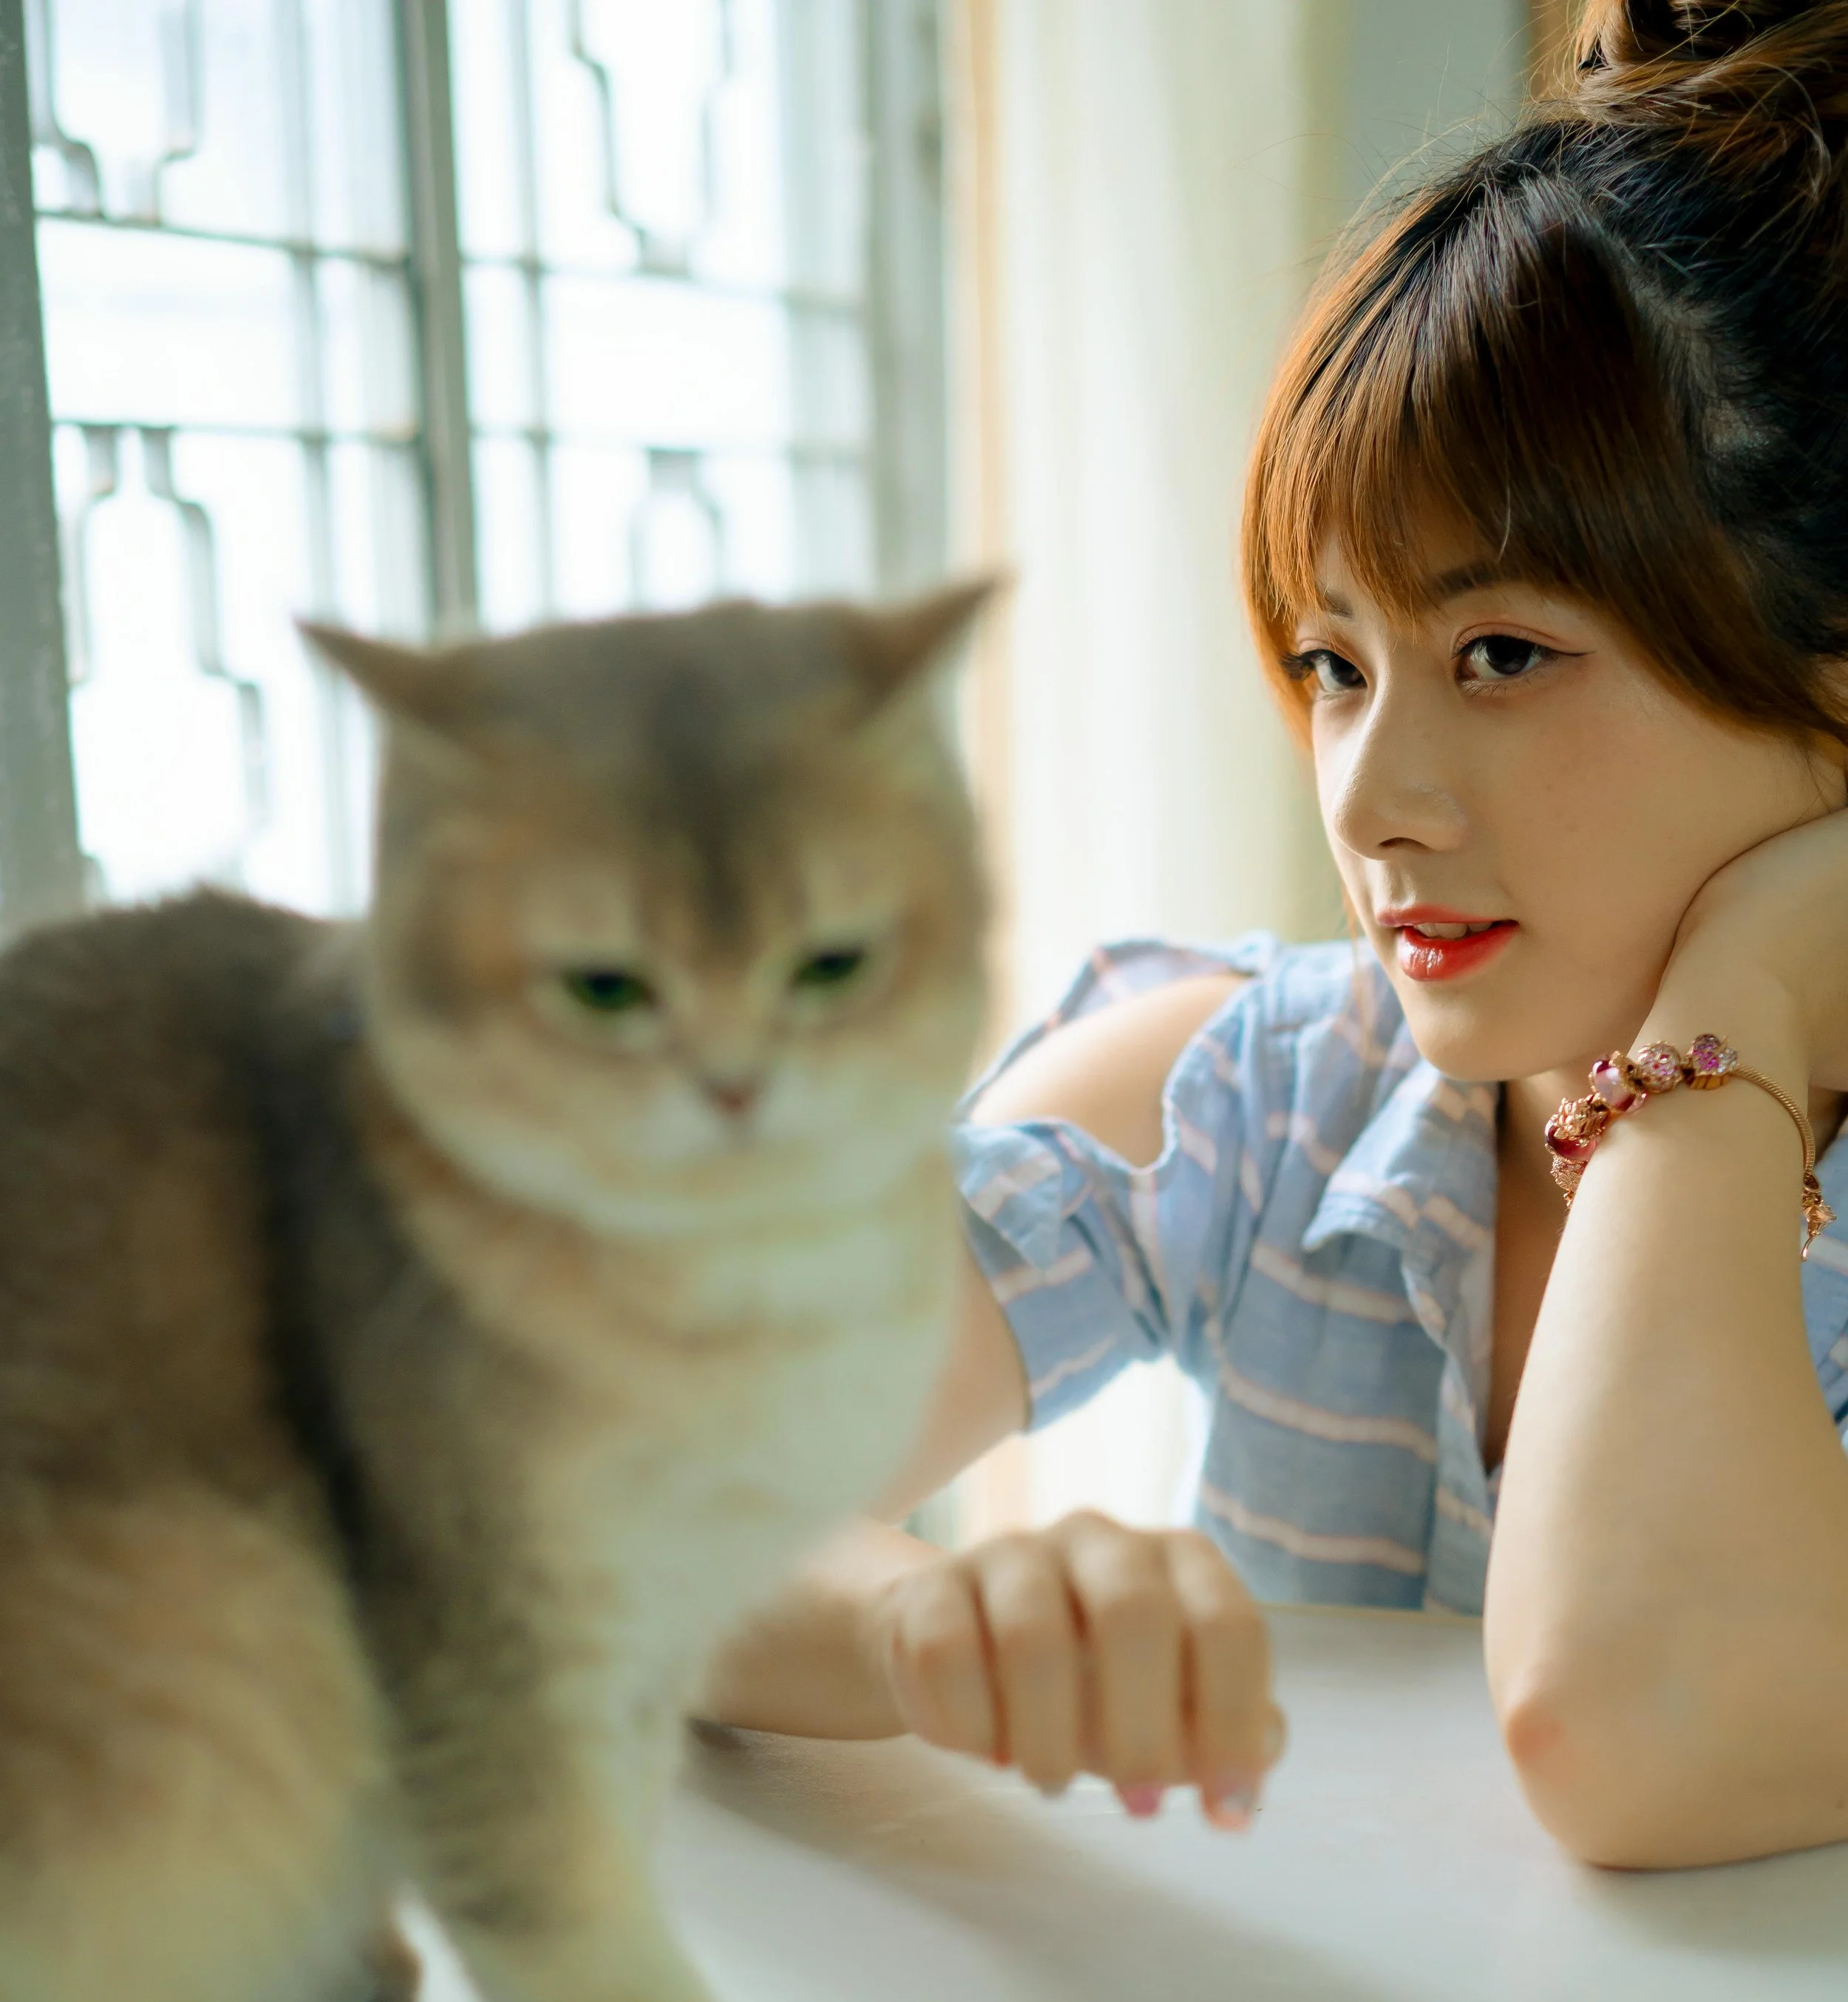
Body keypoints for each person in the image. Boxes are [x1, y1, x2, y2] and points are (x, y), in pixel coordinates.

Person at [698, 0, 1848, 1872]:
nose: (1370, 798)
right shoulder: (1244, 1093)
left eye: (1500, 654)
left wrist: (1732, 1013)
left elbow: (1636, 1728)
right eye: (1331, 663)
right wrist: (931, 1622)